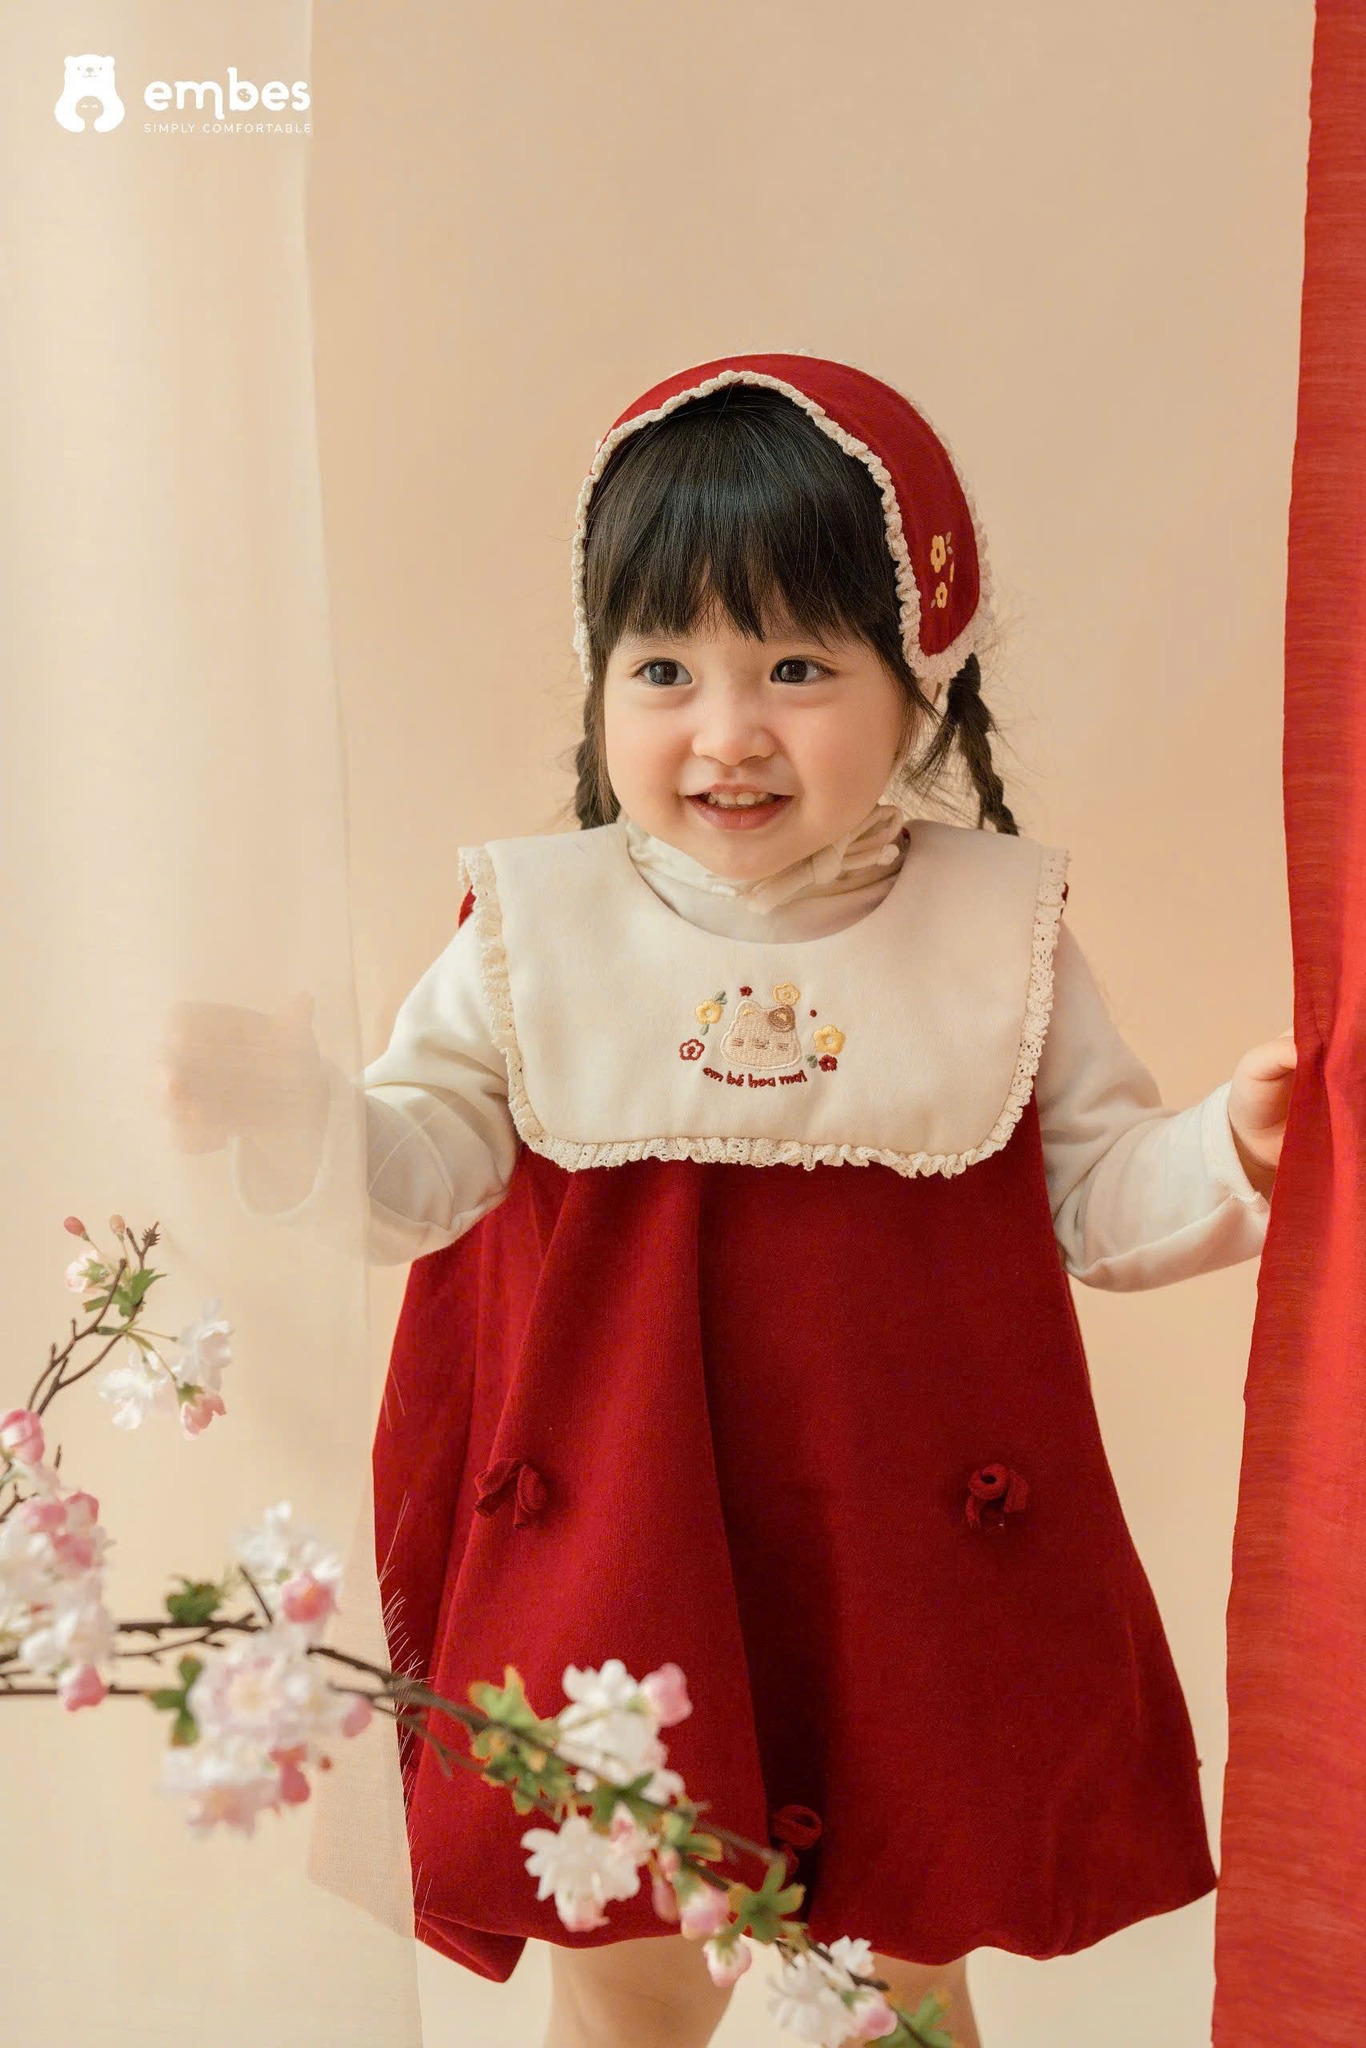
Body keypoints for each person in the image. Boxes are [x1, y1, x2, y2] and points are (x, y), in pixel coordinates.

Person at [160, 353, 1296, 2048]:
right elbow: (416, 1178)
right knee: (626, 1971)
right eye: (663, 669)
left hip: (901, 1568)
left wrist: (1235, 1148)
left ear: (920, 683)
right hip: (624, 1558)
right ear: (599, 681)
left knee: (901, 1973)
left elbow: (1099, 1202)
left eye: (795, 666)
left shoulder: (995, 938)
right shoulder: (529, 935)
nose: (726, 730)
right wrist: (294, 1108)